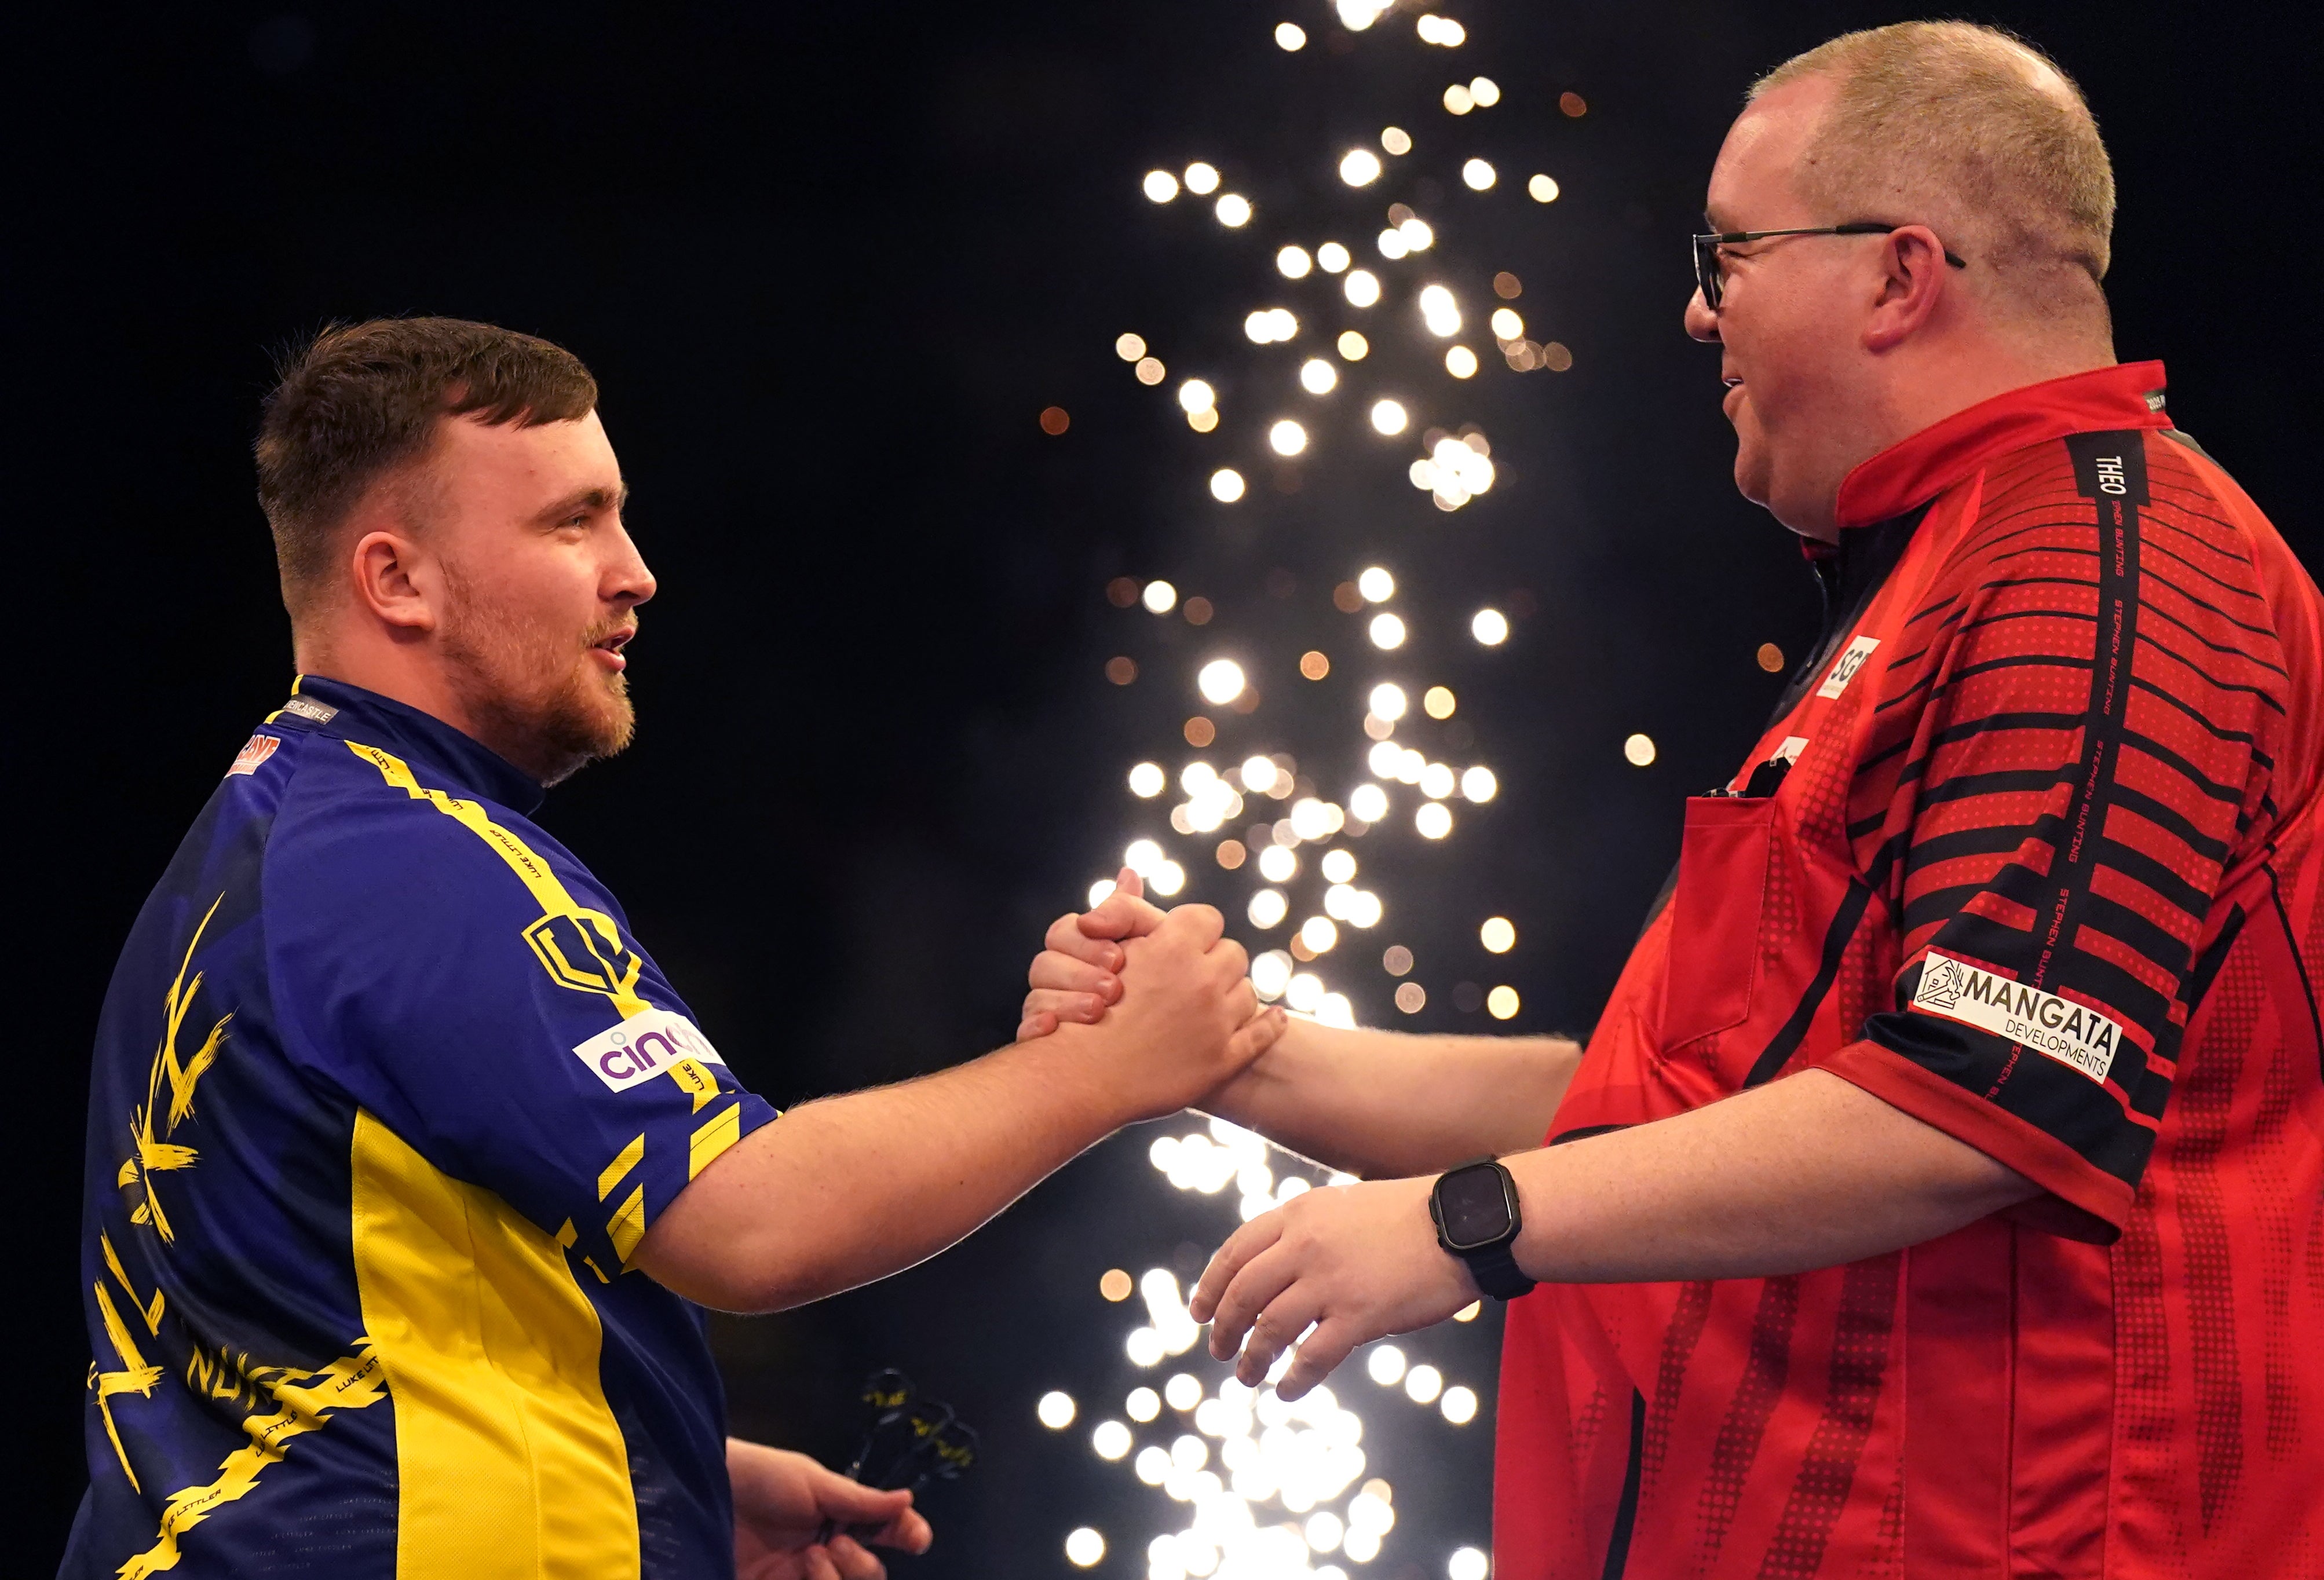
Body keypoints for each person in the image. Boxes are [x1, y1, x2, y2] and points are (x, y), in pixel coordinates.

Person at [1023, 22, 2321, 1578]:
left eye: (1731, 252)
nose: (1696, 310)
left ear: (1899, 276)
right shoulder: (1951, 572)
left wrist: (1461, 1225)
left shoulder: (2105, 571)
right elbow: (1664, 1114)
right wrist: (1230, 1053)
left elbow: (1984, 1102)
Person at [67, 317, 1281, 1580]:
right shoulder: (410, 862)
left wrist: (655, 1468)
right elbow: (752, 1222)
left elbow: (292, 1330)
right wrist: (1115, 1065)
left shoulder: (267, 836)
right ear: (396, 580)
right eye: (572, 521)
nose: (635, 570)